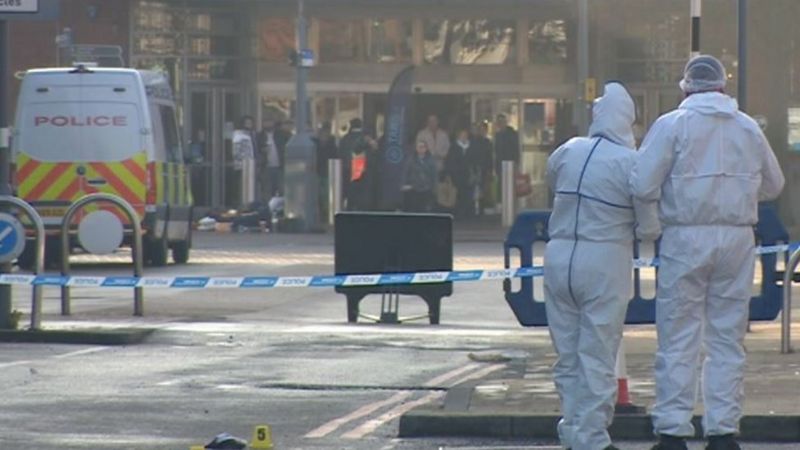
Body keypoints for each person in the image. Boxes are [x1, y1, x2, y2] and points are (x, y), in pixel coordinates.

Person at [630, 55, 785, 450]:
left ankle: (672, 430)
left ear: (685, 88)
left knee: (679, 335)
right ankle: (722, 431)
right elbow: (775, 184)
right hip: (737, 238)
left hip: (685, 237)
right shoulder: (747, 128)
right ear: (723, 87)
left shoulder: (672, 126)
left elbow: (643, 183)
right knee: (727, 339)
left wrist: (661, 209)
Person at [545, 82, 660, 450]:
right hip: (604, 259)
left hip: (559, 255)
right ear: (628, 121)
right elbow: (649, 225)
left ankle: (572, 429)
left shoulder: (569, 150)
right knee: (597, 353)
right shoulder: (632, 162)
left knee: (567, 353)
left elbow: (552, 179)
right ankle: (591, 438)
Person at [339, 118, 373, 210]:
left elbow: (340, 154)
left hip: (347, 169)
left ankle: (350, 210)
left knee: (350, 194)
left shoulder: (345, 139)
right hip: (362, 169)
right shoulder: (365, 138)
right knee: (362, 194)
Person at [444, 128, 477, 218]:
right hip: (457, 176)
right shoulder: (454, 147)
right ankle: (459, 214)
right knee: (458, 195)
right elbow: (449, 162)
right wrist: (449, 174)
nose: (464, 137)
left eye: (465, 135)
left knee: (468, 195)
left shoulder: (472, 147)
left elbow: (475, 161)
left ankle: (468, 214)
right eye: (462, 135)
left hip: (468, 175)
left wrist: (474, 173)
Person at [402, 140, 437, 212]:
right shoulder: (411, 160)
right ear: (416, 148)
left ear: (426, 149)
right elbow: (405, 173)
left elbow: (434, 175)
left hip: (426, 190)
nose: (421, 148)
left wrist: (434, 188)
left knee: (425, 211)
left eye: (423, 147)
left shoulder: (431, 160)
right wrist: (404, 185)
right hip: (414, 189)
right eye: (419, 147)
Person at [232, 116, 257, 207]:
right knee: (241, 187)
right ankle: (241, 205)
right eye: (247, 123)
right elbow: (236, 151)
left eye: (250, 123)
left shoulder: (251, 135)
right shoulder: (239, 135)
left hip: (250, 165)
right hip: (242, 166)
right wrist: (243, 160)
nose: (249, 125)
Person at [257, 118, 284, 200]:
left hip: (280, 167)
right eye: (266, 122)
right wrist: (262, 151)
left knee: (282, 190)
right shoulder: (259, 136)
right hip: (265, 167)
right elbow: (255, 150)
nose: (268, 124)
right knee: (267, 191)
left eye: (270, 122)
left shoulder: (281, 135)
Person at [470, 121, 494, 214]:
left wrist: (490, 169)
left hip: (483, 168)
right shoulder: (473, 141)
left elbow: (489, 156)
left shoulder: (487, 142)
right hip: (475, 167)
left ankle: (481, 208)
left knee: (483, 188)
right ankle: (475, 209)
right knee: (475, 188)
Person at [494, 113, 519, 178]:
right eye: (499, 122)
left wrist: (516, 163)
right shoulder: (497, 135)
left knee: (509, 184)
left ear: (505, 122)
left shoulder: (512, 134)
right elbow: (496, 150)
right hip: (500, 165)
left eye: (502, 121)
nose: (500, 124)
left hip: (509, 163)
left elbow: (516, 149)